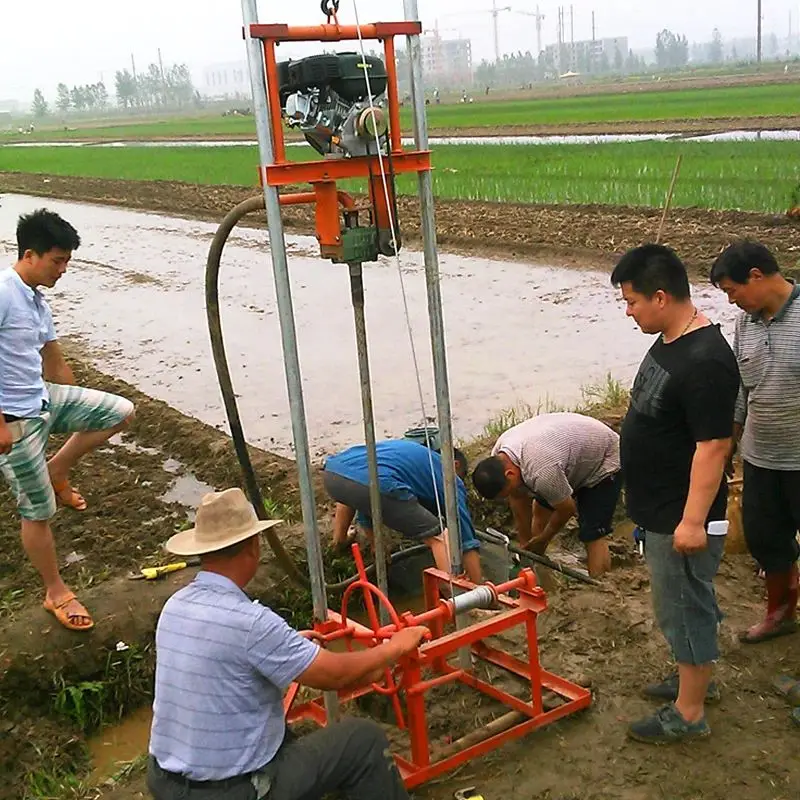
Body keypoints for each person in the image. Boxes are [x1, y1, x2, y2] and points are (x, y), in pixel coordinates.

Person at [147, 488, 426, 800]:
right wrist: (395, 647)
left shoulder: (176, 605)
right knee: (364, 740)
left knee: (286, 738)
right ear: (253, 546)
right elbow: (333, 677)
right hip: (230, 792)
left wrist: (289, 649)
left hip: (165, 781)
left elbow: (225, 661)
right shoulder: (250, 622)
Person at [612, 244, 739, 744]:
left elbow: (713, 447)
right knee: (679, 604)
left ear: (660, 297)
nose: (628, 311)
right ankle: (692, 679)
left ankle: (690, 713)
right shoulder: (672, 339)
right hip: (660, 507)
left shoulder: (706, 359)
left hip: (680, 514)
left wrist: (692, 521)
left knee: (685, 604)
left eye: (632, 302)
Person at [0, 209, 135, 632]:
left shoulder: (36, 298)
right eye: (58, 261)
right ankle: (55, 590)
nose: (63, 270)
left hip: (42, 400)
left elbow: (53, 361)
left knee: (119, 412)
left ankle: (57, 467)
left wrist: (77, 400)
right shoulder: (3, 294)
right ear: (30, 254)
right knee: (38, 510)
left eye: (67, 262)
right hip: (14, 418)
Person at [710, 241, 800, 644]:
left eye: (733, 290)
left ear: (758, 276)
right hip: (762, 457)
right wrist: (730, 441)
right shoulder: (745, 325)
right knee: (766, 539)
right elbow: (742, 391)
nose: (732, 301)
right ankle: (780, 614)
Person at [471, 412, 621, 578]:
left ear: (510, 475)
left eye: (507, 492)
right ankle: (540, 572)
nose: (510, 495)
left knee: (592, 532)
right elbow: (518, 499)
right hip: (565, 456)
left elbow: (566, 509)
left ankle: (601, 587)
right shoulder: (500, 453)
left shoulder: (541, 471)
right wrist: (525, 547)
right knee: (540, 514)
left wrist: (544, 538)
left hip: (603, 458)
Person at [322, 439, 482, 583]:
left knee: (359, 483)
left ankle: (339, 540)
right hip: (378, 485)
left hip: (333, 475)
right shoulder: (450, 478)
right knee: (440, 537)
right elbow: (466, 539)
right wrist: (479, 589)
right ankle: (457, 600)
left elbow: (366, 497)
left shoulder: (411, 457)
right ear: (455, 465)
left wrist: (376, 544)